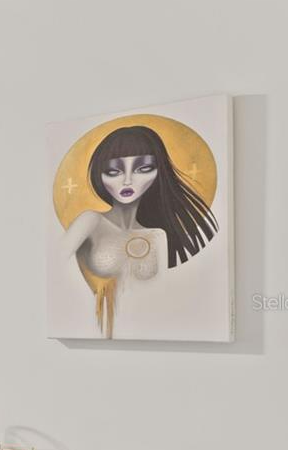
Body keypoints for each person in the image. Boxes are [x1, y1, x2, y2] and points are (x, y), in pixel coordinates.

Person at [58, 123, 217, 337]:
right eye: (113, 171)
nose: (127, 180)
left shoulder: (158, 236)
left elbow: (161, 300)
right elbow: (50, 269)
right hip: (95, 334)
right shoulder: (90, 221)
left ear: (159, 172)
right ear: (100, 175)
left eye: (143, 169)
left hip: (148, 336)